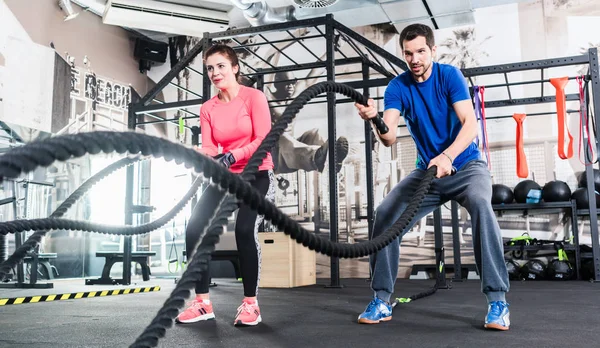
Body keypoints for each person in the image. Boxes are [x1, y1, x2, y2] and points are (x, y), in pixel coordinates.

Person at [354, 24, 511, 330]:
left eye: (421, 51)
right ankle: (382, 299)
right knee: (385, 214)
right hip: (427, 173)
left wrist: (448, 156)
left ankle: (497, 301)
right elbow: (388, 137)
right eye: (408, 53)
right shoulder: (397, 87)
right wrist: (375, 119)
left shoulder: (449, 76)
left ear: (433, 50)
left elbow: (470, 125)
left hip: (465, 166)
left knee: (481, 204)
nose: (415, 59)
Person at [176, 44, 275, 327]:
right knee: (195, 228)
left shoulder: (253, 98)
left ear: (235, 68)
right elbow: (209, 147)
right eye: (209, 68)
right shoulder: (207, 108)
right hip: (225, 175)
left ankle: (250, 305)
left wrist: (233, 154)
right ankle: (202, 303)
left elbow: (263, 140)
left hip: (256, 172)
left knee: (244, 229)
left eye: (220, 66)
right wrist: (208, 159)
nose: (214, 72)